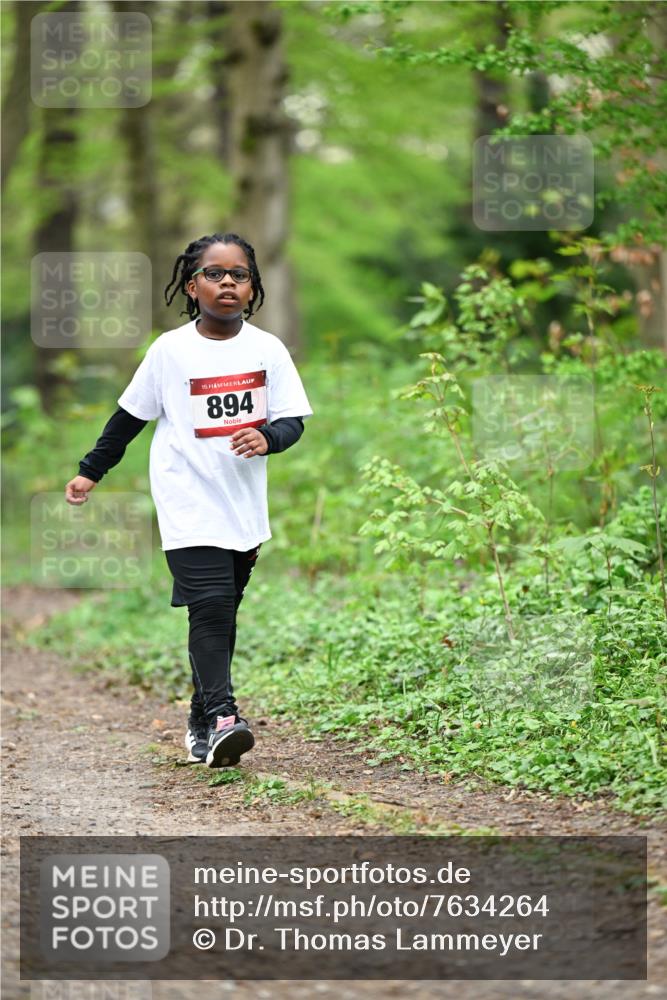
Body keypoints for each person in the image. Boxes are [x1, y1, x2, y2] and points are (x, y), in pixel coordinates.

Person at [65, 232, 314, 768]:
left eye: (239, 274)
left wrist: (269, 437)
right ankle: (225, 716)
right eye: (215, 273)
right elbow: (130, 417)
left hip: (243, 508)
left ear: (252, 287)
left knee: (223, 615)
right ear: (192, 283)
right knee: (211, 607)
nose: (228, 282)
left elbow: (293, 420)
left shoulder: (267, 349)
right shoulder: (170, 350)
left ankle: (201, 722)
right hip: (186, 500)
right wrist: (91, 471)